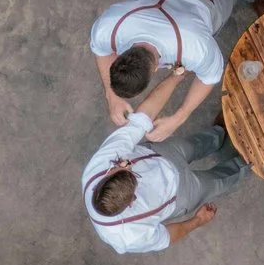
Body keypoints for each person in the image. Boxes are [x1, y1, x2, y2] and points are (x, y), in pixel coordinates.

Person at [86, 0, 264, 137]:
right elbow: (101, 50)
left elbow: (209, 77)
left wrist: (179, 117)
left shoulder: (195, 46)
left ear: (155, 68)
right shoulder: (109, 27)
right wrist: (111, 95)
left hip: (202, 3)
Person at [81, 75, 245, 254]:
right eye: (131, 170)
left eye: (121, 164)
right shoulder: (128, 237)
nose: (127, 163)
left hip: (162, 154)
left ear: (107, 173)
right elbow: (167, 236)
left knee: (195, 144)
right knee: (218, 181)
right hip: (180, 195)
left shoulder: (99, 164)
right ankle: (246, 163)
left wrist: (176, 76)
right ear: (132, 201)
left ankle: (219, 133)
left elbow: (142, 118)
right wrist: (197, 221)